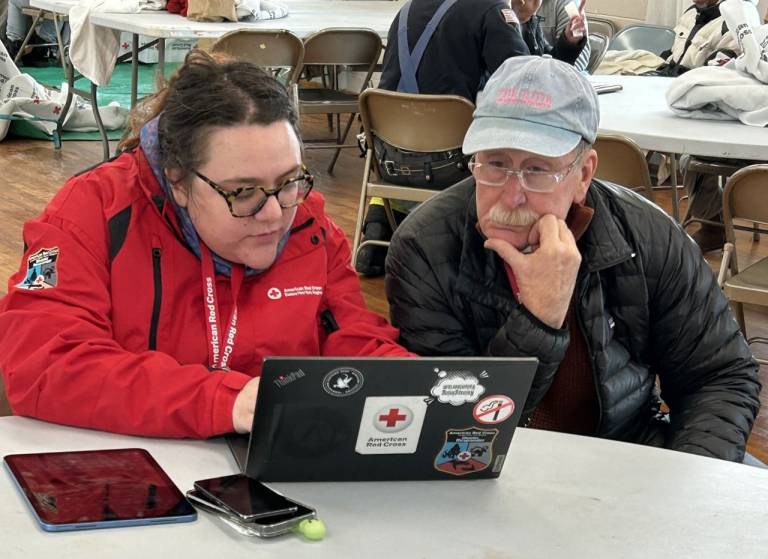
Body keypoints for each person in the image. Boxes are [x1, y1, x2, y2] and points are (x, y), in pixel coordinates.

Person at [0, 50, 411, 439]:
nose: (274, 215)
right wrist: (225, 401)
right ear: (178, 180)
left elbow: (354, 340)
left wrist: (424, 388)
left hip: (269, 475)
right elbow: (44, 362)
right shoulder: (92, 213)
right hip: (132, 469)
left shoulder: (308, 222)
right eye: (243, 192)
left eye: (289, 180)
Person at [385, 55, 761, 462]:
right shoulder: (425, 248)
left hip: (627, 450)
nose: (511, 195)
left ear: (583, 174)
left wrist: (685, 483)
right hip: (492, 466)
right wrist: (540, 319)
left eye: (537, 169)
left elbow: (718, 376)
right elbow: (458, 424)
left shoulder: (649, 238)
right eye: (494, 163)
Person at [359, 0, 589, 277]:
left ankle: (381, 220)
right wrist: (526, 23)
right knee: (517, 160)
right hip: (452, 166)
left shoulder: (407, 10)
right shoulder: (489, 10)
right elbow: (532, 86)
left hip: (388, 161)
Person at [538, 0, 591, 71]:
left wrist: (569, 43)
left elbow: (579, 59)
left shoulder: (568, 3)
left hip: (557, 73)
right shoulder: (525, 18)